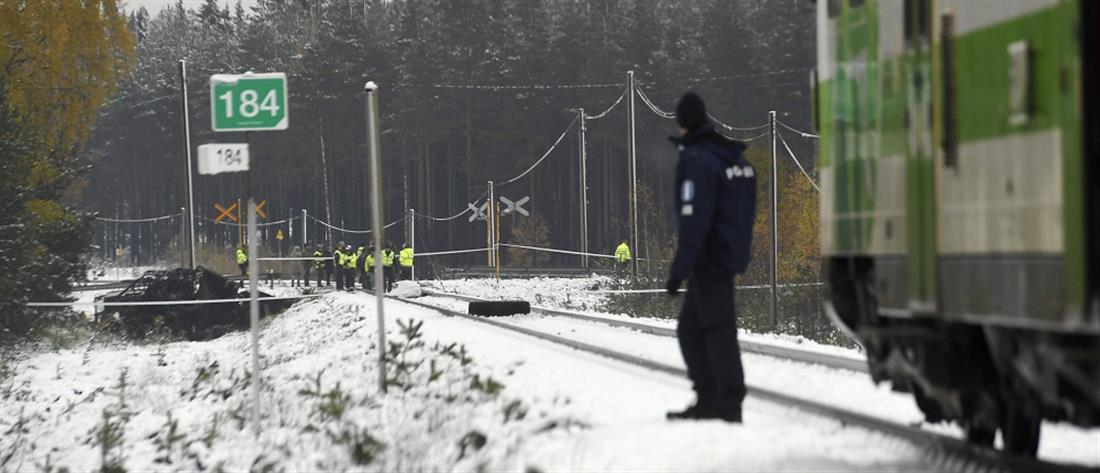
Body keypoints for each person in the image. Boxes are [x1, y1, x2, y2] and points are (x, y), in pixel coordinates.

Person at [664, 92, 757, 424]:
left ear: (683, 121)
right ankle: (708, 398)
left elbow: (695, 219)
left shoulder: (700, 159)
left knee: (717, 330)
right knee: (691, 331)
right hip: (725, 254)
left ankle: (728, 403)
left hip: (709, 258)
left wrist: (679, 269)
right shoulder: (732, 158)